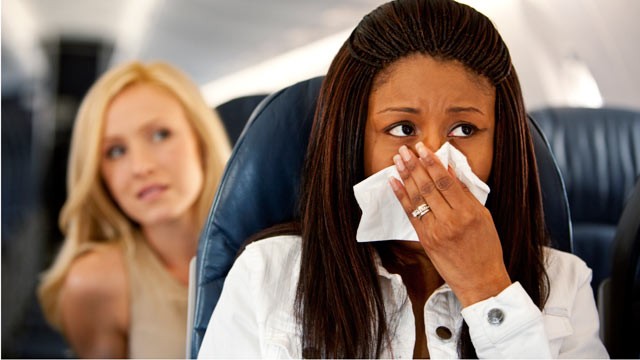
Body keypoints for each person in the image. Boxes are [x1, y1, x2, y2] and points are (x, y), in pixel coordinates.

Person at [198, 0, 609, 358]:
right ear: (353, 143)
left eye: (464, 129)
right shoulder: (268, 274)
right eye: (402, 129)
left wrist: (487, 289)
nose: (434, 161)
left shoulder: (562, 283)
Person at [38, 61, 231, 358]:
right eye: (115, 151)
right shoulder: (95, 283)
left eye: (160, 135)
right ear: (99, 174)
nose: (140, 167)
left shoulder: (274, 253)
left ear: (200, 140)